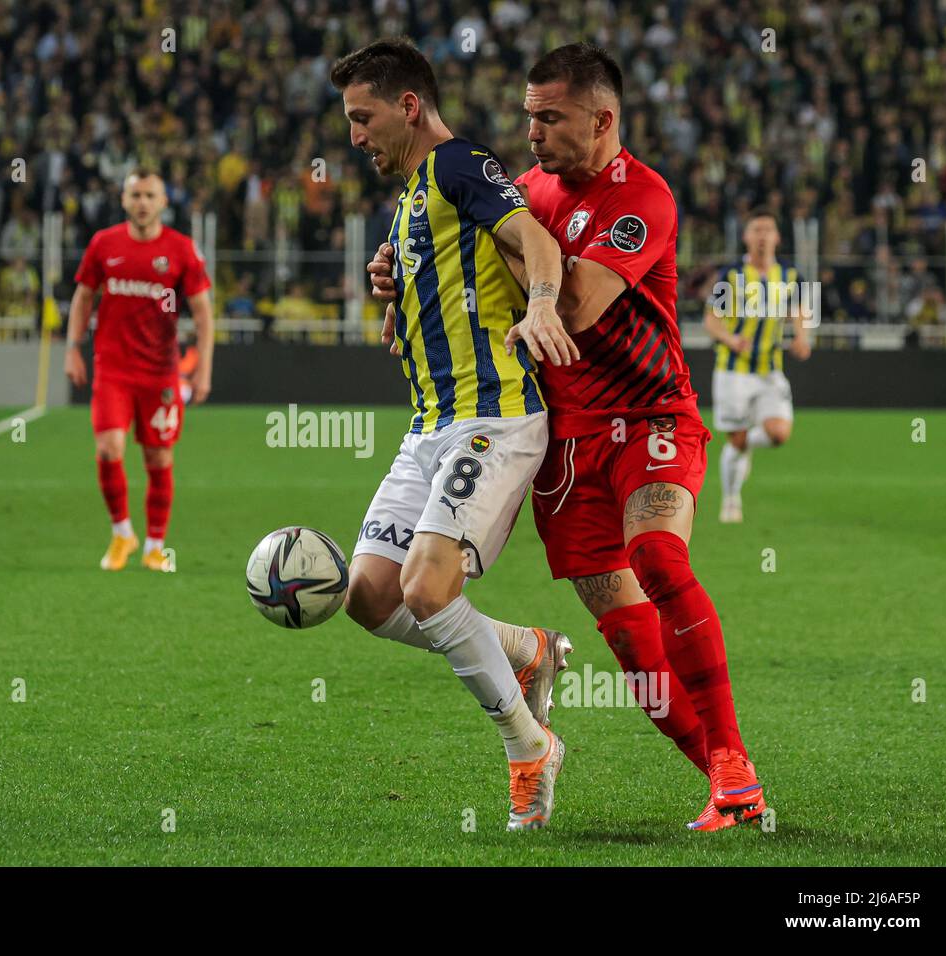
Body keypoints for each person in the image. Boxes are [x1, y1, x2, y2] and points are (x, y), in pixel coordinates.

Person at [369, 43, 765, 832]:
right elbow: (460, 259)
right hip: (567, 443)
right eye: (528, 115)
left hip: (650, 416)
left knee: (657, 555)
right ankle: (728, 788)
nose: (534, 131)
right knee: (630, 645)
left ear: (602, 118)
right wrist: (403, 269)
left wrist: (489, 265)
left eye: (551, 117)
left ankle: (731, 754)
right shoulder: (526, 189)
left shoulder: (642, 196)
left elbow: (577, 305)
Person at [333, 38, 578, 831]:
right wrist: (395, 289)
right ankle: (526, 649)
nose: (354, 136)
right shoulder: (410, 197)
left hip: (494, 418)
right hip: (429, 425)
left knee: (428, 589)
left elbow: (534, 239)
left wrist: (543, 300)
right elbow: (448, 275)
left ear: (409, 107)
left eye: (362, 118)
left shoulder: (459, 164)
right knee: (368, 595)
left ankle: (527, 747)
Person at [64, 169, 214, 571]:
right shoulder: (104, 244)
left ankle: (154, 545)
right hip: (112, 368)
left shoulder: (182, 250)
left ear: (164, 202)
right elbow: (82, 298)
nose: (143, 202)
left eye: (150, 195)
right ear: (124, 200)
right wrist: (72, 349)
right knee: (108, 447)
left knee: (158, 458)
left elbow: (203, 314)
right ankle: (121, 534)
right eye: (136, 195)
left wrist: (202, 369)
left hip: (161, 374)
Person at [703, 210, 812, 523]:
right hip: (732, 370)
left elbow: (801, 309)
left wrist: (802, 337)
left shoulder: (791, 276)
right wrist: (730, 338)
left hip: (769, 369)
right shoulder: (731, 275)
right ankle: (731, 499)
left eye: (768, 229)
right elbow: (711, 321)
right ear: (746, 237)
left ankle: (744, 444)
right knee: (735, 440)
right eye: (756, 230)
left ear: (777, 237)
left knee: (779, 434)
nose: (763, 235)